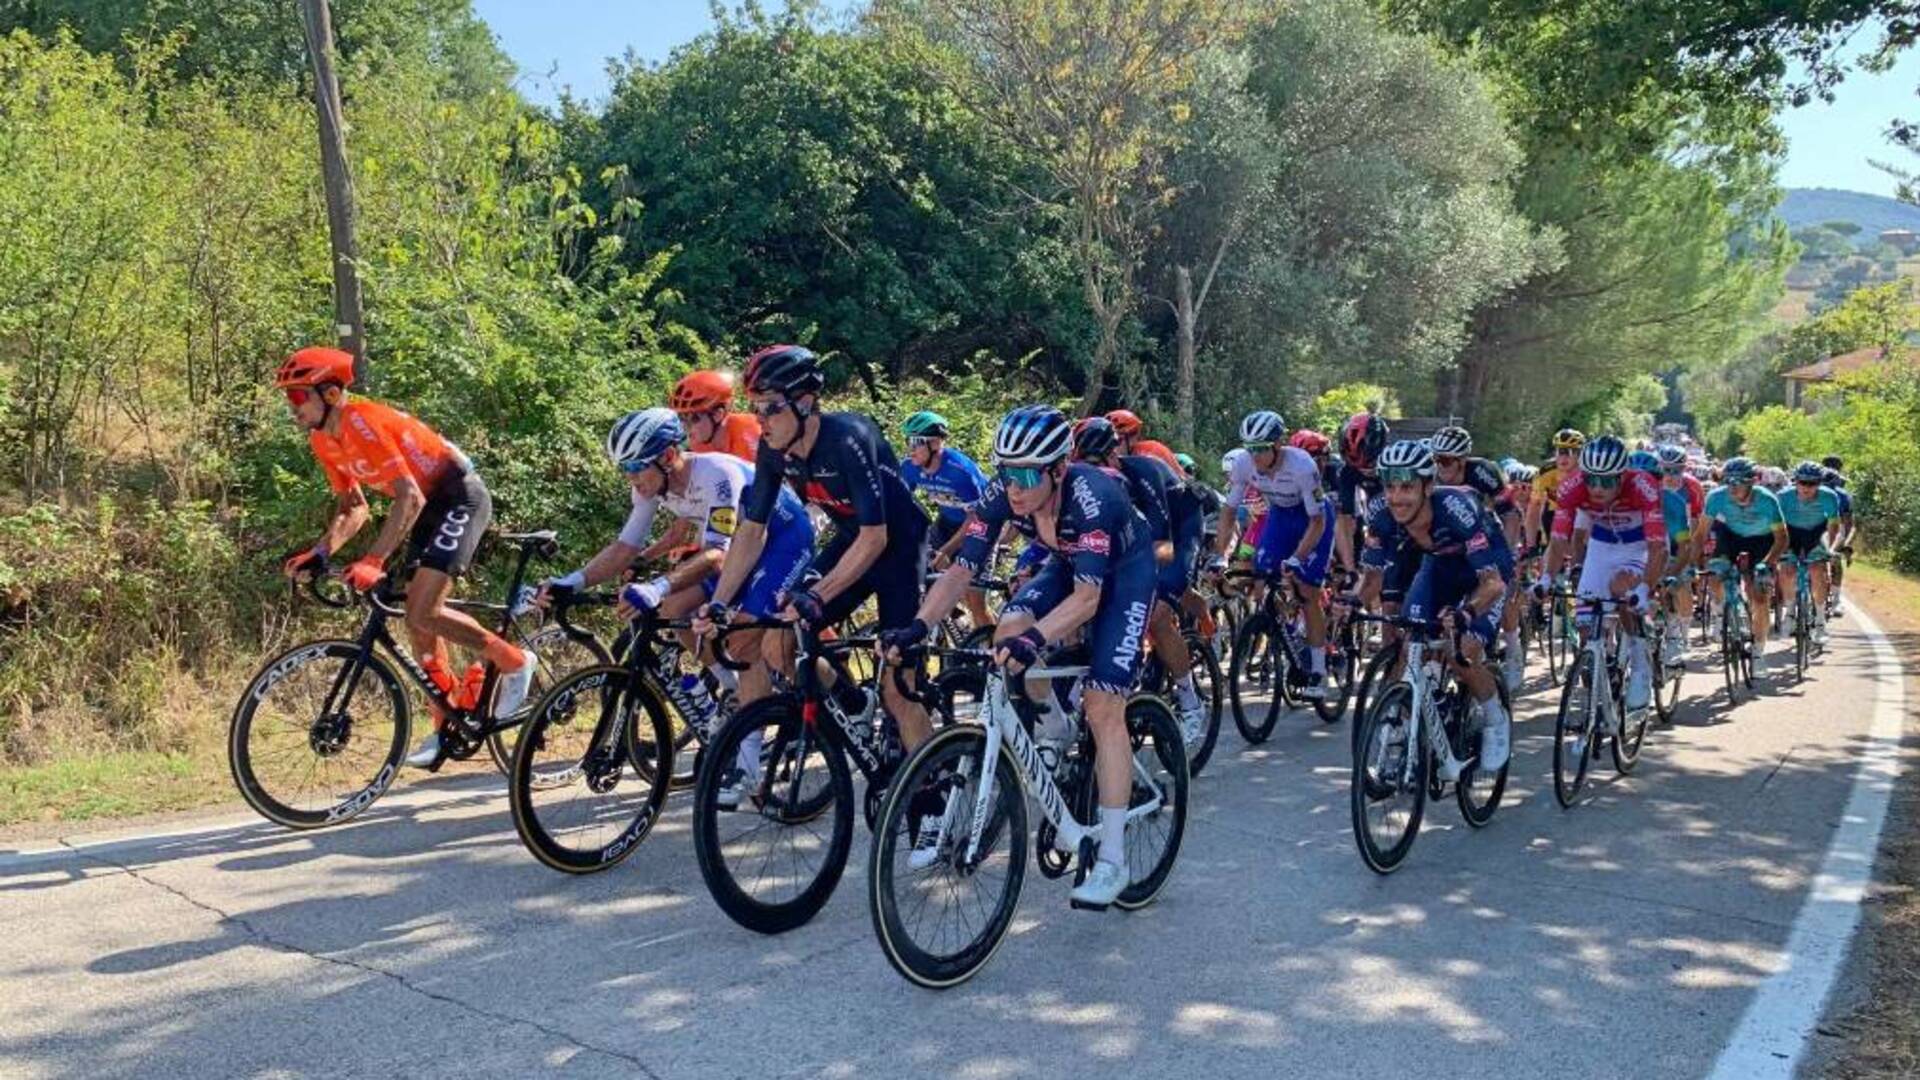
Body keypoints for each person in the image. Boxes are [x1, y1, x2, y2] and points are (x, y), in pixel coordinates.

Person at [894, 406, 1155, 909]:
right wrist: (919, 625)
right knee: (1008, 628)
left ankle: (1114, 858)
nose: (1013, 485)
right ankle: (1054, 725)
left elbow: (1088, 598)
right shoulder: (1004, 492)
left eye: (1027, 474)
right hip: (1067, 562)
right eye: (1006, 471)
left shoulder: (1091, 498)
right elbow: (962, 569)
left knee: (1103, 706)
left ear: (1058, 470)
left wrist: (1036, 640)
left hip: (1124, 574)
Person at [274, 346, 535, 768]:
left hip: (458, 496)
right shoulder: (323, 440)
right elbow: (352, 507)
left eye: (298, 397)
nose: (293, 408)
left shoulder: (361, 421)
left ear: (331, 392)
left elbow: (408, 497)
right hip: (428, 505)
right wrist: (320, 553)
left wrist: (374, 560)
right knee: (418, 624)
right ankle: (446, 722)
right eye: (289, 398)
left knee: (423, 610)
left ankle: (514, 661)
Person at [699, 345, 933, 748]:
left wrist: (817, 595)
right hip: (850, 542)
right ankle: (852, 703)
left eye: (771, 408)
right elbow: (751, 531)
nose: (761, 421)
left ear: (805, 403)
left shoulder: (848, 439)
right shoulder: (773, 451)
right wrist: (719, 603)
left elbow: (876, 536)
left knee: (899, 690)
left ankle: (935, 791)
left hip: (898, 548)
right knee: (778, 645)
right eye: (755, 409)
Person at [1354, 439, 1514, 772]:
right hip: (1439, 566)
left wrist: (1465, 612)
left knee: (1462, 651)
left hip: (1486, 570)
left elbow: (1492, 584)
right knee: (1410, 639)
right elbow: (1371, 579)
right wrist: (1348, 601)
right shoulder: (1381, 514)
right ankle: (1413, 712)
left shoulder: (1456, 508)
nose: (1397, 497)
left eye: (1408, 487)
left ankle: (1495, 720)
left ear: (1428, 486)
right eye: (1391, 486)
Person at [1073, 417, 1209, 744]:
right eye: (1083, 464)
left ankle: (1190, 700)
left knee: (1155, 614)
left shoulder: (1144, 472)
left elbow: (1162, 546)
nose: (1091, 471)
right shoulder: (1082, 483)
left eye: (1097, 463)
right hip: (1139, 538)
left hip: (1180, 527)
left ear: (1114, 456)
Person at [1208, 410, 1336, 697]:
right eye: (1249, 448)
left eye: (1260, 449)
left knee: (1307, 590)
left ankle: (1318, 671)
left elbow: (1317, 523)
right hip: (1279, 515)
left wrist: (1297, 558)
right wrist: (1220, 555)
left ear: (1277, 445)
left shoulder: (1303, 466)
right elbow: (1228, 513)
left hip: (1313, 520)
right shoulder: (1243, 463)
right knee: (1258, 574)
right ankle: (1285, 630)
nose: (1254, 456)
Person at [1543, 435, 1667, 715]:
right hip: (1602, 545)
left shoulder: (1643, 486)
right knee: (1585, 622)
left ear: (1622, 476)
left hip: (1639, 546)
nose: (1597, 488)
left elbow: (1658, 548)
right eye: (1592, 480)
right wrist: (1546, 578)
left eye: (1607, 481)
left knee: (1620, 589)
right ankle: (1604, 664)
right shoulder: (1572, 487)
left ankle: (1640, 663)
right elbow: (1559, 539)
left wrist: (1645, 588)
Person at [1695, 456, 1787, 680]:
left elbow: (1782, 538)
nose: (1733, 487)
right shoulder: (1716, 497)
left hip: (1762, 540)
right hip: (1731, 536)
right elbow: (1700, 536)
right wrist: (1693, 565)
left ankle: (1758, 653)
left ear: (1752, 482)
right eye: (1729, 481)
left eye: (1739, 482)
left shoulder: (1767, 499)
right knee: (1715, 576)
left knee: (1760, 597)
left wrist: (1768, 563)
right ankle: (1722, 612)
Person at [899, 411, 993, 629]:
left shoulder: (960, 471)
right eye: (907, 441)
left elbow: (975, 519)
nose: (910, 448)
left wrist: (947, 551)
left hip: (980, 527)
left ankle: (989, 645)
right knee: (921, 574)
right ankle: (955, 618)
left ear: (935, 444)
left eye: (915, 442)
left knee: (975, 600)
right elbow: (900, 505)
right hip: (946, 523)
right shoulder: (909, 468)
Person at [1779, 460, 1844, 643]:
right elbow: (1776, 526)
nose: (1807, 487)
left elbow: (1833, 526)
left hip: (1816, 533)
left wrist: (1830, 550)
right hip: (1790, 532)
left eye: (1813, 483)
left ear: (1819, 483)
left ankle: (1820, 621)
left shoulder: (1829, 496)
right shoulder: (1783, 496)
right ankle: (1790, 613)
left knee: (1817, 570)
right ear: (1795, 481)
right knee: (1787, 570)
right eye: (1803, 482)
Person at [1653, 443, 1704, 662]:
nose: (1671, 476)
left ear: (1684, 469)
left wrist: (1691, 557)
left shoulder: (1692, 487)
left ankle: (1683, 631)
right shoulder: (1651, 484)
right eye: (1666, 470)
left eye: (1677, 470)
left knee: (1681, 583)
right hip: (1656, 535)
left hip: (1681, 536)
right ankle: (1668, 624)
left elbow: (1696, 523)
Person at [1334, 412, 1389, 575]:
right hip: (1376, 517)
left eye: (1371, 463)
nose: (1365, 469)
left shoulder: (1394, 468)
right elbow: (1345, 522)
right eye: (1355, 463)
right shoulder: (1347, 472)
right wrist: (1350, 570)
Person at [670, 369, 761, 462]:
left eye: (694, 419)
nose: (686, 427)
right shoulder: (697, 443)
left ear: (717, 414)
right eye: (681, 418)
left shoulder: (752, 434)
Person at [1527, 428, 1585, 557]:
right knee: (1552, 547)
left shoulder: (1587, 472)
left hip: (1582, 512)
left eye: (1569, 452)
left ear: (1579, 454)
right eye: (1559, 451)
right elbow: (1534, 508)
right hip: (1556, 511)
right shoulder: (1545, 472)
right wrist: (1531, 545)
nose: (1563, 457)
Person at [1105, 408, 1185, 472]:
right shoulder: (1106, 458)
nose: (1113, 448)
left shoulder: (1153, 450)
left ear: (1133, 438)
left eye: (1118, 441)